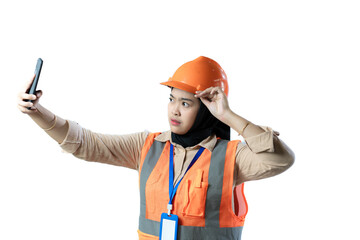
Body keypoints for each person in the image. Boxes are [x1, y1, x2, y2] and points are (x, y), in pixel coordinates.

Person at [17, 56, 295, 240]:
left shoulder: (231, 157)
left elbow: (282, 159)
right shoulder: (147, 146)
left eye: (186, 103)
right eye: (172, 98)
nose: (174, 110)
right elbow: (86, 144)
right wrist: (38, 112)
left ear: (207, 110)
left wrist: (229, 115)